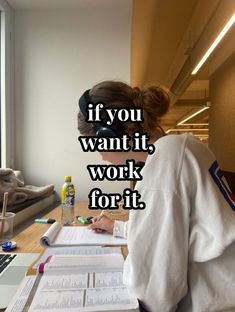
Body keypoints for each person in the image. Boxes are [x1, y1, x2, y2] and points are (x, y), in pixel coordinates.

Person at [77, 80, 235, 312]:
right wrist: (118, 228)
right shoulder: (183, 146)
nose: (100, 156)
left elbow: (156, 293)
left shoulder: (165, 162)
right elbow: (180, 232)